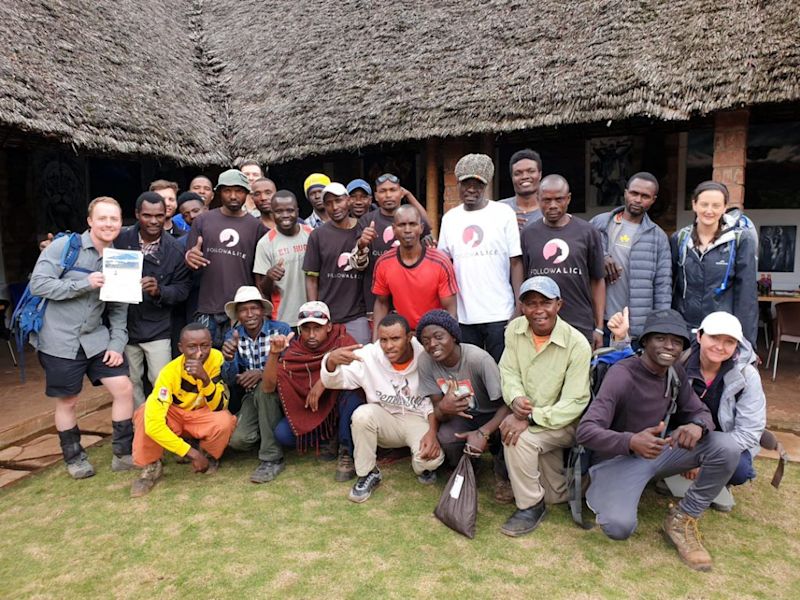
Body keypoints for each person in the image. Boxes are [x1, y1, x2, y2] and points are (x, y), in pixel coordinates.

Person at [576, 308, 741, 571]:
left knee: (727, 447)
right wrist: (630, 441)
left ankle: (683, 517)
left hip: (658, 453)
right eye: (660, 339)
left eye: (676, 341)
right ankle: (614, 492)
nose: (669, 346)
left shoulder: (675, 371)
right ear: (644, 342)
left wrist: (697, 426)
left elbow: (700, 411)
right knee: (619, 528)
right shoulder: (622, 375)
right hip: (617, 460)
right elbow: (586, 431)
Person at [29, 196, 134, 479]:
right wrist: (83, 284)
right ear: (90, 221)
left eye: (114, 219)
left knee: (123, 388)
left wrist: (116, 344)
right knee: (68, 400)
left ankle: (123, 453)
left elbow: (119, 310)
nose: (108, 224)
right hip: (59, 339)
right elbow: (38, 284)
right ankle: (74, 457)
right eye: (102, 218)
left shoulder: (120, 258)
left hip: (95, 339)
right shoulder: (66, 247)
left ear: (121, 222)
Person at [496, 276, 591, 536]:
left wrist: (530, 417)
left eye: (545, 303)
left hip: (564, 423)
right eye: (531, 304)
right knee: (555, 496)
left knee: (517, 437)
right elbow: (508, 371)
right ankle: (578, 487)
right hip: (530, 417)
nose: (538, 310)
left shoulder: (577, 344)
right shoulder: (514, 330)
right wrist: (516, 400)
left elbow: (575, 403)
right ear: (522, 307)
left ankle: (529, 506)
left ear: (559, 304)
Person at [321, 314, 445, 503]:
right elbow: (337, 381)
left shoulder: (425, 355)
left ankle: (422, 466)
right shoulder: (369, 355)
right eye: (384, 340)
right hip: (385, 418)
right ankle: (368, 473)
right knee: (362, 415)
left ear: (409, 337)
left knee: (429, 461)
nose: (388, 346)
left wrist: (432, 433)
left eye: (395, 339)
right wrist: (330, 362)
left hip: (418, 419)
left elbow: (434, 401)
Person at [657, 311, 765, 511]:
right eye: (714, 337)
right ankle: (672, 475)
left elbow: (750, 430)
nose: (720, 347)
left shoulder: (747, 376)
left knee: (740, 470)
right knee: (654, 453)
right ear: (699, 336)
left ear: (737, 346)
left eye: (729, 342)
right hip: (682, 436)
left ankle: (716, 481)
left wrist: (705, 459)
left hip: (724, 441)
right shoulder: (679, 362)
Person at [416, 310, 513, 503]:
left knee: (507, 431)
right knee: (446, 436)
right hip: (466, 417)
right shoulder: (426, 361)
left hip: (494, 414)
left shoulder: (479, 360)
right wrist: (444, 407)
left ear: (453, 336)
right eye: (425, 340)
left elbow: (507, 405)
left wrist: (484, 433)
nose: (432, 344)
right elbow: (438, 411)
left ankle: (503, 475)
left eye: (438, 336)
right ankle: (469, 466)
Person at [130, 323, 237, 497]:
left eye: (205, 345)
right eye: (192, 347)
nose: (199, 352)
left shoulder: (217, 358)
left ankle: (209, 455)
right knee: (145, 412)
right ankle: (151, 466)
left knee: (224, 419)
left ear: (211, 343)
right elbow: (154, 425)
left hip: (202, 414)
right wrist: (191, 454)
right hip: (176, 415)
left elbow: (219, 406)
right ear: (181, 348)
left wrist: (205, 379)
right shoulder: (168, 373)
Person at [437, 153, 523, 362]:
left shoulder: (503, 213)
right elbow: (443, 263)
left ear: (486, 185)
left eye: (478, 184)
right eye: (467, 183)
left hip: (500, 313)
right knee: (471, 374)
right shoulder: (450, 219)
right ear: (458, 184)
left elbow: (516, 262)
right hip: (464, 316)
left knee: (502, 372)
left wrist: (518, 309)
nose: (472, 189)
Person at [266, 302, 364, 482]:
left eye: (317, 328)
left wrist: (323, 382)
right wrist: (273, 354)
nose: (311, 335)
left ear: (328, 326)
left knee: (353, 393)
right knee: (283, 434)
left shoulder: (342, 341)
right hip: (314, 411)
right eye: (306, 328)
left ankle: (345, 449)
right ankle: (327, 437)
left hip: (339, 408)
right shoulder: (293, 350)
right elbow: (268, 387)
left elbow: (358, 372)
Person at [116, 192, 192, 406]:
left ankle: (161, 423)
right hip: (123, 325)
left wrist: (160, 291)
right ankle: (139, 425)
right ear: (137, 214)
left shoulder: (175, 249)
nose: (153, 221)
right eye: (147, 215)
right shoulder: (119, 240)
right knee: (130, 383)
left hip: (157, 326)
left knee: (160, 379)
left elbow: (182, 290)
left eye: (159, 215)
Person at [185, 169, 268, 348]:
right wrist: (190, 258)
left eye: (238, 191)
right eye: (227, 191)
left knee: (237, 364)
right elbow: (190, 258)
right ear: (218, 193)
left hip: (242, 309)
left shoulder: (256, 227)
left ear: (247, 194)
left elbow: (261, 270)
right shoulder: (203, 221)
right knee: (206, 363)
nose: (232, 196)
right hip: (208, 307)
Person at [521, 174, 606, 348]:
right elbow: (523, 281)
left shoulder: (588, 232)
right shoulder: (528, 234)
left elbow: (597, 281)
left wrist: (599, 327)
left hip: (579, 324)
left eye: (558, 199)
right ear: (538, 199)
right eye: (546, 200)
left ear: (568, 199)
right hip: (539, 324)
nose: (552, 205)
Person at [671, 181, 758, 347]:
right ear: (694, 205)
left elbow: (747, 295)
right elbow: (669, 285)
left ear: (725, 207)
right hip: (684, 329)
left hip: (721, 331)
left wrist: (747, 343)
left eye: (716, 205)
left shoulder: (739, 239)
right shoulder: (680, 239)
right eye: (704, 204)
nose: (709, 210)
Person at [590, 172, 672, 344]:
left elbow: (663, 287)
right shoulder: (600, 223)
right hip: (599, 322)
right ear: (626, 193)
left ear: (653, 200)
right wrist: (602, 257)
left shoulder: (658, 237)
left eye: (645, 196)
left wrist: (658, 329)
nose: (638, 199)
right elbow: (580, 257)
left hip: (635, 328)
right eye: (634, 193)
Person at [222, 286, 291, 482]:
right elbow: (230, 379)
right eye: (243, 310)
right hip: (250, 395)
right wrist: (228, 359)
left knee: (265, 389)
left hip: (279, 393)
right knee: (239, 440)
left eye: (254, 308)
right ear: (238, 314)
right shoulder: (233, 335)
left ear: (263, 310)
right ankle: (267, 431)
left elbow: (290, 368)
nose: (250, 314)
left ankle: (272, 458)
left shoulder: (281, 329)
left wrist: (261, 373)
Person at [372, 205, 457, 337]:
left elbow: (450, 310)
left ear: (421, 228)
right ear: (394, 229)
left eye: (412, 224)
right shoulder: (384, 263)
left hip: (434, 333)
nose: (407, 230)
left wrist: (448, 340)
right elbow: (381, 303)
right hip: (402, 335)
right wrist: (376, 343)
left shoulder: (440, 262)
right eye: (401, 225)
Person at [303, 182, 370, 344]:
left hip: (357, 315)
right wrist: (315, 313)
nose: (334, 207)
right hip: (327, 316)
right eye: (328, 203)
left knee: (360, 359)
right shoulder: (318, 235)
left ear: (348, 201)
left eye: (338, 201)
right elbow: (312, 278)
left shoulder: (364, 230)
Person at [356, 173, 431, 314]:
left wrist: (409, 195)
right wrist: (362, 244)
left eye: (393, 190)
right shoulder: (367, 221)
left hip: (410, 301)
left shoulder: (411, 219)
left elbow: (427, 226)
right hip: (377, 302)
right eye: (383, 191)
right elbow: (358, 263)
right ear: (376, 196)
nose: (388, 195)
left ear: (400, 193)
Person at [253, 190, 313, 327]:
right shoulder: (265, 243)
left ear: (297, 211)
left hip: (313, 316)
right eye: (279, 211)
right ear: (272, 213)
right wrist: (269, 277)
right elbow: (262, 289)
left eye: (290, 210)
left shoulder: (312, 235)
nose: (285, 215)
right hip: (283, 320)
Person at [500, 149, 543, 230]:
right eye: (518, 173)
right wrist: (504, 224)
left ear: (540, 174)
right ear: (512, 178)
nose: (525, 177)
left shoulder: (549, 210)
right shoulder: (499, 210)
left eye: (531, 171)